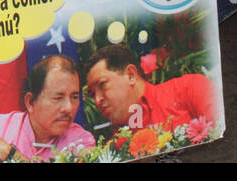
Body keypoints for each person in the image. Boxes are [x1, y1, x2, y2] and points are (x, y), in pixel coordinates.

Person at [0, 55, 94, 162]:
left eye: (74, 97)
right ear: (30, 102)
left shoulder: (82, 142)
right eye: (58, 98)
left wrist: (6, 152)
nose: (69, 108)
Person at [83, 45, 218, 133]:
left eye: (102, 85)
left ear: (130, 75)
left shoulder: (189, 88)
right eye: (92, 94)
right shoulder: (116, 144)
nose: (97, 100)